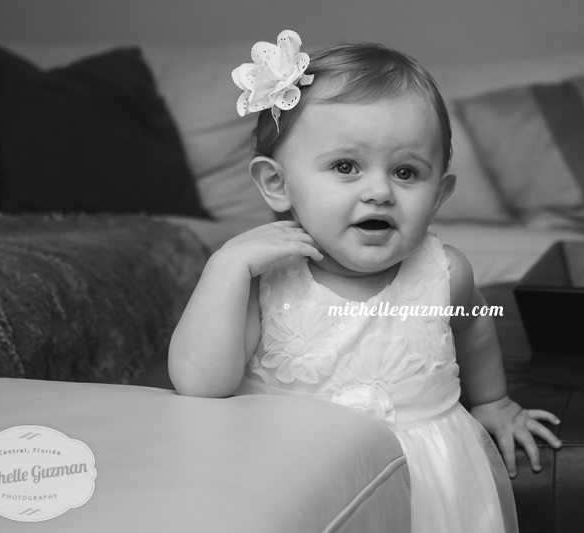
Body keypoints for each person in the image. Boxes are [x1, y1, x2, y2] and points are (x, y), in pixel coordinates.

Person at [169, 30, 562, 533]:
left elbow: (474, 327)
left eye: (406, 172)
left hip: (427, 479)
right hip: (293, 482)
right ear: (277, 184)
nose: (379, 191)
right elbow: (200, 384)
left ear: (439, 195)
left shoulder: (446, 273)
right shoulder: (265, 277)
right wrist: (224, 268)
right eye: (346, 166)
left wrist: (493, 401)